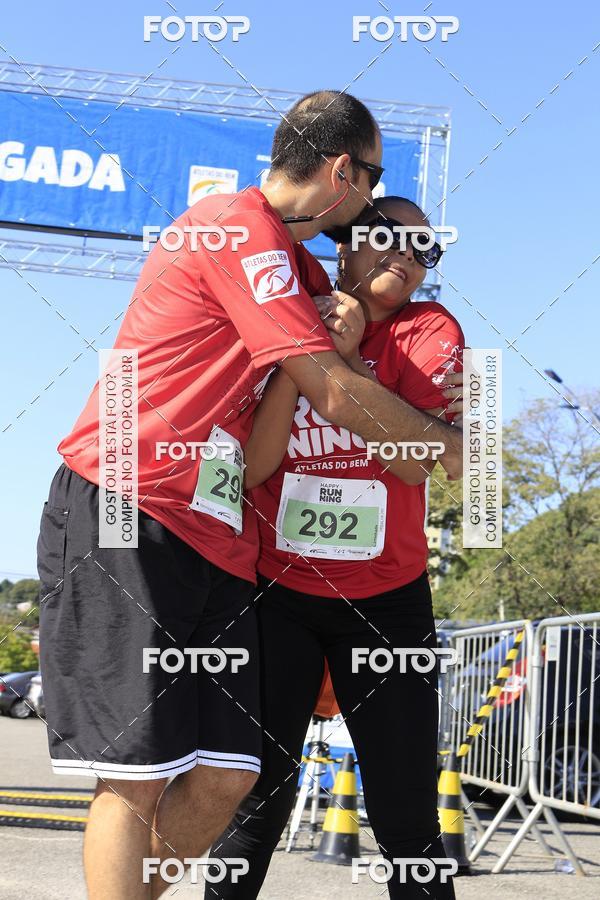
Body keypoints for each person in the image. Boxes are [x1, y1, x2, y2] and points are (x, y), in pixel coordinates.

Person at [37, 89, 463, 900]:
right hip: (132, 496)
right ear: (344, 171)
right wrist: (454, 449)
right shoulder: (236, 228)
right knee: (133, 778)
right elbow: (331, 393)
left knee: (230, 777)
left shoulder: (309, 271)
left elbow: (282, 436)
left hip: (220, 534)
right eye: (369, 190)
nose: (372, 216)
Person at [207, 195, 464, 899]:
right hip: (278, 594)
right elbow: (254, 470)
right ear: (343, 246)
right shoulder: (290, 304)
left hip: (387, 603)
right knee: (257, 804)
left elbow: (417, 462)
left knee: (407, 818)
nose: (408, 258)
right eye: (390, 239)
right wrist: (306, 354)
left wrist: (350, 366)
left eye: (425, 251)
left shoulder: (431, 329)